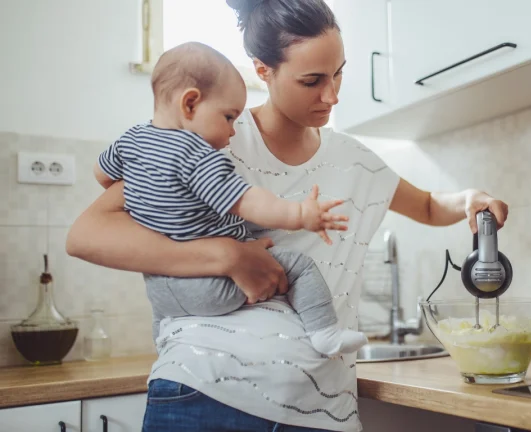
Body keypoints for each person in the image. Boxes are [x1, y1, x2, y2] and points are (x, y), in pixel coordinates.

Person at [66, 0, 510, 430]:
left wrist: (468, 198)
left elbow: (430, 206)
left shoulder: (354, 160)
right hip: (202, 395)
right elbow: (88, 233)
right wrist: (226, 257)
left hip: (321, 409)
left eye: (338, 73)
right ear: (263, 70)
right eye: (312, 79)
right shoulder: (211, 140)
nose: (332, 94)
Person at [94, 41, 367, 357]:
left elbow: (102, 175)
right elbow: (250, 203)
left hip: (161, 293)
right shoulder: (199, 157)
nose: (234, 131)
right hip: (211, 285)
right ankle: (325, 333)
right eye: (228, 117)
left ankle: (162, 342)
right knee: (299, 267)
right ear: (190, 104)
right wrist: (301, 215)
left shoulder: (130, 141)